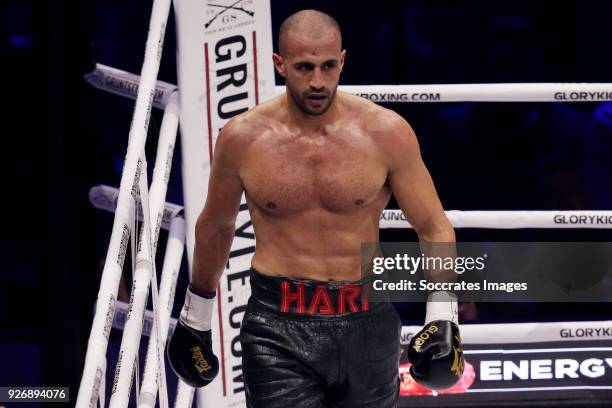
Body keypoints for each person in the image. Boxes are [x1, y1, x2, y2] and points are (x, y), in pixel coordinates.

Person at [167, 9, 463, 408]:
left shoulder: (386, 132)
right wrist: (196, 315)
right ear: (280, 64)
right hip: (277, 326)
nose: (318, 81)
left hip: (367, 319)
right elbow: (217, 227)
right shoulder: (243, 138)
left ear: (342, 60)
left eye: (327, 66)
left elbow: (433, 226)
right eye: (304, 67)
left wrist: (443, 315)